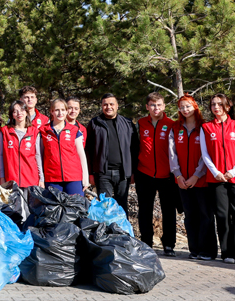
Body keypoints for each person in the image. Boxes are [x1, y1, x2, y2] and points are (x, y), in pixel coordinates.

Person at [199, 93, 235, 264]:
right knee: (222, 215)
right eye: (213, 104)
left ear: (228, 106)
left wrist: (233, 172)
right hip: (216, 178)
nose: (216, 107)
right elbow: (205, 154)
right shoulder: (206, 127)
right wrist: (215, 172)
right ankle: (227, 252)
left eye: (220, 104)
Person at [169, 94, 212, 260]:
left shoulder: (204, 127)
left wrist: (196, 175)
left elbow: (205, 154)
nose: (185, 110)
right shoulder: (175, 128)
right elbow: (172, 154)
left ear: (195, 107)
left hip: (200, 180)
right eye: (182, 107)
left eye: (188, 106)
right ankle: (194, 249)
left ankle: (207, 251)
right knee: (190, 215)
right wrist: (178, 175)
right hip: (182, 181)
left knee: (205, 215)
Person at [135, 92, 178, 255]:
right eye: (153, 105)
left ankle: (169, 244)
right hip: (144, 173)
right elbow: (134, 148)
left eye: (159, 105)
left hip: (166, 175)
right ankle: (146, 242)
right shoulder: (140, 124)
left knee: (168, 211)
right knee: (145, 210)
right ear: (147, 107)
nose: (156, 108)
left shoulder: (171, 124)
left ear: (164, 106)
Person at [85, 93, 136, 210]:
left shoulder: (127, 123)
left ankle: (122, 229)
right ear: (102, 106)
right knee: (105, 207)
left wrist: (133, 172)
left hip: (123, 173)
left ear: (117, 106)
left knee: (122, 206)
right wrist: (90, 173)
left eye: (111, 104)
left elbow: (134, 148)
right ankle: (107, 229)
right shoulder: (94, 123)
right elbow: (88, 149)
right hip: (103, 173)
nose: (108, 107)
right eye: (105, 104)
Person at [36, 98, 89, 195]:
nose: (60, 113)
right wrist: (41, 178)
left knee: (75, 208)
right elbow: (40, 155)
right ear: (51, 111)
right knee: (55, 208)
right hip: (52, 177)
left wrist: (85, 178)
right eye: (57, 110)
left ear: (66, 111)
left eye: (63, 110)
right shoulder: (43, 131)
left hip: (74, 177)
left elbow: (81, 154)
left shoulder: (75, 130)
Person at [0, 101, 39, 189]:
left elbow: (38, 156)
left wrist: (41, 179)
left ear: (26, 112)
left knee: (29, 203)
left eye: (22, 110)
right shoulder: (5, 131)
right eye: (15, 111)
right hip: (11, 180)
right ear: (12, 114)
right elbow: (1, 155)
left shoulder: (34, 131)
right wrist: (2, 177)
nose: (19, 113)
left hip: (31, 179)